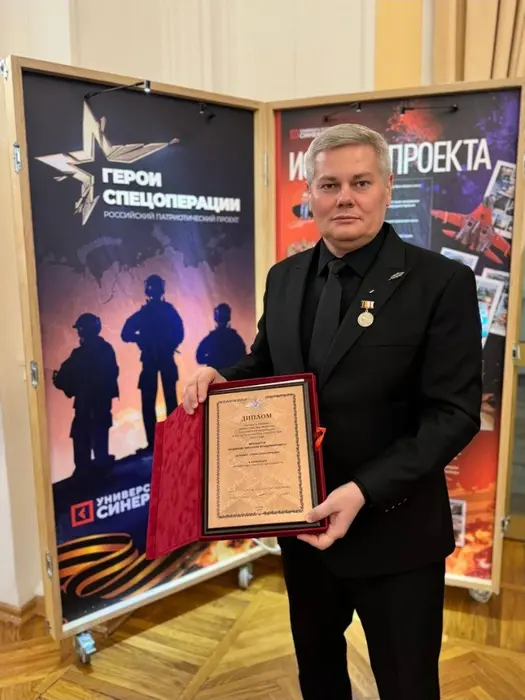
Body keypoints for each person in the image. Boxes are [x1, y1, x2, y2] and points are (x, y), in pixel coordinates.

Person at [181, 123, 482, 700]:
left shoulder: (441, 282)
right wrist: (225, 380)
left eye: (360, 182)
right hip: (305, 528)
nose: (345, 197)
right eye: (329, 185)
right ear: (310, 195)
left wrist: (363, 490)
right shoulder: (284, 278)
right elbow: (267, 365)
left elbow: (454, 413)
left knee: (408, 686)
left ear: (387, 188)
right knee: (317, 676)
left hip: (396, 535)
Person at [121, 274, 184, 451]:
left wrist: (142, 339)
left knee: (157, 400)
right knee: (164, 399)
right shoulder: (164, 311)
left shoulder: (148, 313)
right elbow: (179, 332)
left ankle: (157, 442)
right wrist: (165, 343)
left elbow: (126, 333)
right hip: (157, 358)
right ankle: (166, 441)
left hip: (156, 359)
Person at [53, 312, 119, 472]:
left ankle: (88, 472)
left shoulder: (80, 354)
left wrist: (70, 386)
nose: (79, 333)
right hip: (97, 403)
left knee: (84, 436)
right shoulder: (105, 349)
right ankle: (96, 469)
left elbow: (62, 378)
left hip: (88, 403)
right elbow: (113, 373)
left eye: (80, 330)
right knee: (92, 436)